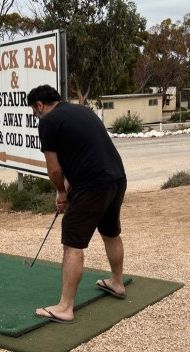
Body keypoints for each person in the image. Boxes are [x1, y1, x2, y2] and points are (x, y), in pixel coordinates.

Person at [27, 85, 127, 324]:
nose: (35, 115)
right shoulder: (83, 111)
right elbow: (80, 156)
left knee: (72, 243)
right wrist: (67, 191)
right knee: (110, 232)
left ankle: (65, 307)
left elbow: (54, 168)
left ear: (39, 105)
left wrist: (61, 192)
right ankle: (117, 282)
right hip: (116, 178)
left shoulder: (48, 122)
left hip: (92, 185)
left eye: (34, 110)